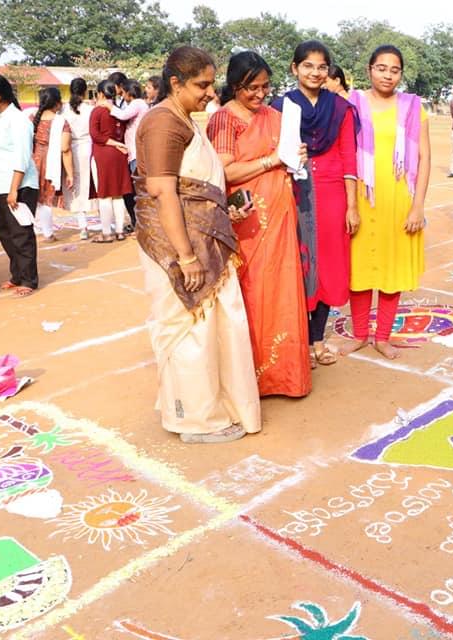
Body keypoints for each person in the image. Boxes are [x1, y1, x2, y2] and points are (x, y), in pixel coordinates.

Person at [134, 46, 261, 443]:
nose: (210, 92)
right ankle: (194, 420)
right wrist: (186, 256)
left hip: (201, 239)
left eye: (210, 84)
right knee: (190, 331)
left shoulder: (183, 118)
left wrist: (225, 212)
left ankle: (217, 407)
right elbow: (163, 192)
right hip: (179, 246)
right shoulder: (162, 123)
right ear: (175, 83)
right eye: (202, 85)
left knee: (213, 329)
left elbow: (195, 187)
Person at [207, 51, 312, 397]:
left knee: (282, 288)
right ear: (235, 86)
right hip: (246, 220)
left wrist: (295, 157)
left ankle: (284, 376)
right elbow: (225, 171)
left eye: (265, 87)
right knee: (250, 290)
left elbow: (289, 157)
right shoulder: (224, 120)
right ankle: (248, 376)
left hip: (280, 217)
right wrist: (271, 160)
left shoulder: (276, 116)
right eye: (251, 88)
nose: (260, 94)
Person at [340, 44, 431, 360]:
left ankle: (382, 337)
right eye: (381, 68)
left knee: (392, 269)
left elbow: (424, 157)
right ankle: (359, 335)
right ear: (369, 70)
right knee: (359, 267)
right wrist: (349, 204)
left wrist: (418, 206)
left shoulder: (413, 107)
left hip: (398, 198)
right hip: (360, 198)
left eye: (394, 70)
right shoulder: (351, 104)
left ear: (401, 74)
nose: (387, 75)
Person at [272, 41, 359, 369]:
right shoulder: (279, 108)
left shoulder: (340, 108)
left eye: (322, 67)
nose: (315, 72)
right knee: (298, 264)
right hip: (292, 192)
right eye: (308, 65)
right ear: (294, 68)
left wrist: (352, 205)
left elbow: (348, 156)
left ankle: (317, 340)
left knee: (327, 267)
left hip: (333, 194)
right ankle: (299, 340)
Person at [0, 74, 40, 297]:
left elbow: (21, 157)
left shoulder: (18, 120)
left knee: (20, 233)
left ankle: (29, 279)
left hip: (19, 185)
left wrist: (14, 189)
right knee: (5, 233)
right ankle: (17, 274)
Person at [90, 80, 133, 242]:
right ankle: (120, 231)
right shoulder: (118, 111)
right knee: (118, 195)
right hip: (119, 154)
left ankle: (107, 232)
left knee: (104, 195)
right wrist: (118, 144)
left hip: (103, 154)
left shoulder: (97, 111)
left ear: (100, 94)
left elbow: (96, 135)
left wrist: (113, 143)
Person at [31, 87, 74, 243]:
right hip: (49, 163)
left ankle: (36, 229)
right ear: (57, 103)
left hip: (32, 161)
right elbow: (65, 148)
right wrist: (70, 174)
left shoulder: (32, 118)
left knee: (34, 197)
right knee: (46, 199)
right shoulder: (61, 122)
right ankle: (48, 233)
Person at [111, 79, 150, 230]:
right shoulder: (139, 104)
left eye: (123, 93)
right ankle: (138, 223)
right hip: (134, 151)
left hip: (136, 152)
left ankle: (143, 224)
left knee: (138, 190)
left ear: (128, 92)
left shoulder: (137, 103)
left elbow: (122, 115)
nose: (122, 96)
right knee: (135, 190)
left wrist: (108, 106)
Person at [62, 78, 97, 240]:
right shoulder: (90, 109)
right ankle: (104, 221)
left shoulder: (64, 109)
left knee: (75, 185)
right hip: (87, 146)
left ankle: (83, 225)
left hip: (70, 147)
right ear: (84, 91)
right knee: (90, 183)